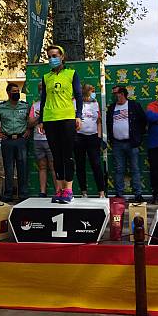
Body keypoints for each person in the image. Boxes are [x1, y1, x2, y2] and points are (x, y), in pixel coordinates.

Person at [37, 45, 83, 204]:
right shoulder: (46, 77)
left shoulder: (71, 74)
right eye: (49, 56)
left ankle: (69, 190)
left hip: (67, 118)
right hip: (50, 119)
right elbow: (43, 100)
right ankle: (59, 190)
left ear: (62, 57)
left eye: (55, 55)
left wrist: (78, 115)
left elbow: (78, 95)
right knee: (56, 157)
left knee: (67, 156)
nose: (52, 59)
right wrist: (41, 119)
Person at [0, 83, 31, 202]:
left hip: (21, 140)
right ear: (8, 93)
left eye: (18, 91)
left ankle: (23, 193)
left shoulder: (25, 106)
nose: (16, 93)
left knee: (22, 167)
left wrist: (29, 129)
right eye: (14, 91)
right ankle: (8, 193)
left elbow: (30, 120)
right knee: (9, 168)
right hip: (7, 140)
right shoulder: (1, 107)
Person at [106, 85, 146, 202]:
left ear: (122, 93)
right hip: (117, 143)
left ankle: (138, 194)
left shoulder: (134, 105)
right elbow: (109, 124)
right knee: (119, 169)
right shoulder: (112, 107)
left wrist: (138, 137)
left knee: (135, 168)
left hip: (132, 143)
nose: (114, 95)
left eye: (115, 93)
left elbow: (143, 120)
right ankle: (119, 194)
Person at [75, 84, 105, 198]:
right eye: (92, 91)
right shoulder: (76, 102)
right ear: (86, 92)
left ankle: (101, 192)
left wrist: (99, 136)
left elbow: (98, 121)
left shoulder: (95, 103)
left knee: (96, 165)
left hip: (93, 137)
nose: (94, 93)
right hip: (79, 137)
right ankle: (84, 192)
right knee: (80, 165)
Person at [29, 82, 57, 197]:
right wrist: (39, 116)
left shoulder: (54, 104)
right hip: (38, 139)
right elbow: (30, 123)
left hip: (51, 139)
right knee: (42, 166)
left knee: (54, 167)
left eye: (43, 88)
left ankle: (58, 191)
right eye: (40, 88)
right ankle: (42, 192)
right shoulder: (35, 105)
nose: (41, 91)